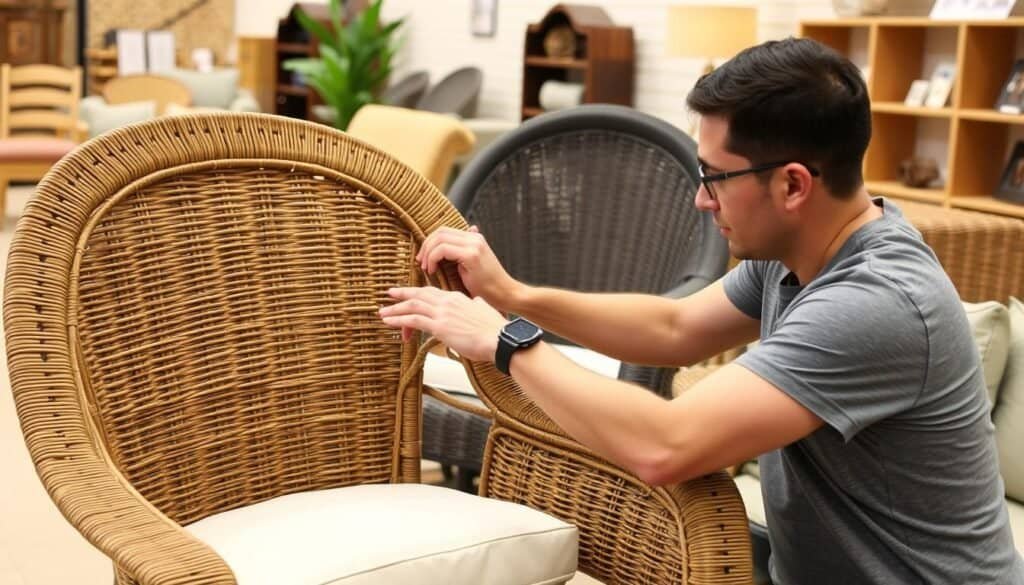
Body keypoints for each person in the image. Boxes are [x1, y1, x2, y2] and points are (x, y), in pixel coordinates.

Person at [379, 37, 1024, 584]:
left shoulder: (874, 303)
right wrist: (513, 294)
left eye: (715, 176)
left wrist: (506, 340)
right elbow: (676, 327)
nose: (699, 200)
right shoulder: (808, 247)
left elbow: (667, 446)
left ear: (793, 184)